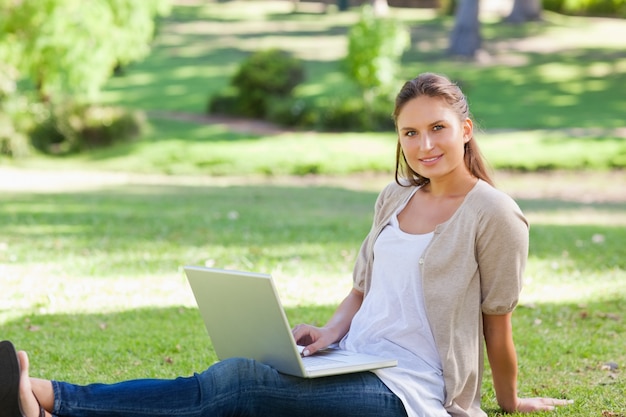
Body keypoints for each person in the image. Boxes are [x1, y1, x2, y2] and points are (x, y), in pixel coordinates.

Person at [0, 73, 573, 417]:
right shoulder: (395, 197)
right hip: (356, 362)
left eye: (438, 128)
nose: (424, 145)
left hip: (412, 395)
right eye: (410, 132)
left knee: (239, 385)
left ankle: (47, 394)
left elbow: (498, 321)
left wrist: (509, 401)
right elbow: (363, 289)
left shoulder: (494, 213)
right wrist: (329, 333)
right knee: (241, 372)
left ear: (465, 129)